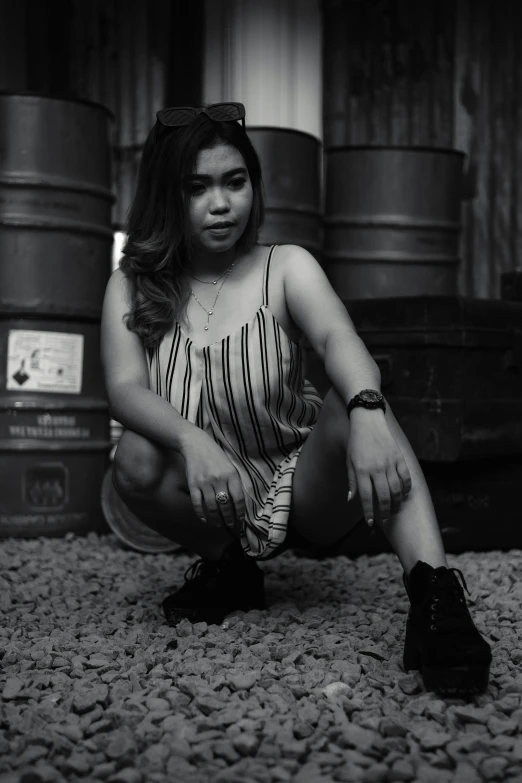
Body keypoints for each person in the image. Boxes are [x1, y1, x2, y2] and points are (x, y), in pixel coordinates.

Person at [100, 102, 491, 697]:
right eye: (196, 188)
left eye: (235, 181)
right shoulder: (132, 284)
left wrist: (364, 409)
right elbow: (124, 388)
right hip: (213, 489)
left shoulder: (285, 267)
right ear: (166, 195)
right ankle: (230, 571)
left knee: (361, 401)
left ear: (254, 184)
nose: (221, 203)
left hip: (302, 483)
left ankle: (436, 596)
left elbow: (340, 339)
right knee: (133, 457)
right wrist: (192, 439)